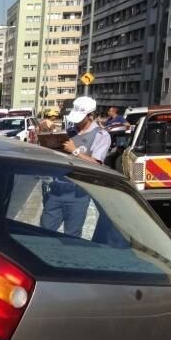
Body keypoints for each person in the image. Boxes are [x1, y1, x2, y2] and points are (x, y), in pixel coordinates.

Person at [41, 96, 111, 238]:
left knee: (71, 236)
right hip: (56, 190)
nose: (76, 122)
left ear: (91, 116)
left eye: (81, 118)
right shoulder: (69, 132)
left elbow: (97, 164)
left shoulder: (101, 135)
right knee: (43, 232)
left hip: (78, 194)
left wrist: (75, 151)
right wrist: (45, 136)